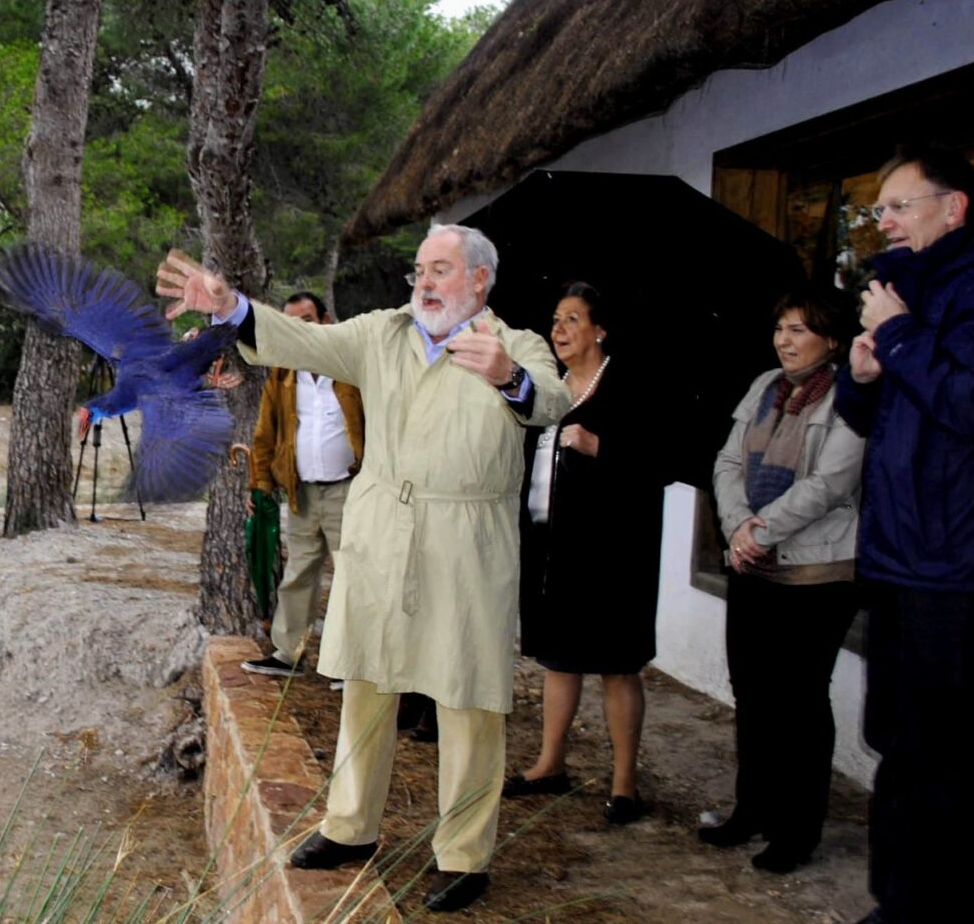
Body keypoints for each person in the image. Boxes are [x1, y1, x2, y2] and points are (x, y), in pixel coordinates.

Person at [157, 225, 572, 914]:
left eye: (441, 269)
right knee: (367, 680)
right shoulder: (385, 332)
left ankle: (464, 855)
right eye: (420, 268)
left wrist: (508, 375)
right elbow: (307, 342)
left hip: (468, 540)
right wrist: (232, 309)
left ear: (479, 280)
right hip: (383, 528)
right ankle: (351, 827)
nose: (425, 280)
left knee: (468, 699)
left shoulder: (514, 344)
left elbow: (553, 400)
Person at [834, 145, 974, 924]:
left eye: (898, 205)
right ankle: (898, 899)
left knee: (942, 755)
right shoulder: (906, 295)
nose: (881, 220)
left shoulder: (968, 289)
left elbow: (969, 404)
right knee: (899, 741)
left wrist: (894, 339)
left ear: (953, 208)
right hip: (897, 556)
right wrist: (862, 377)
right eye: (877, 209)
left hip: (953, 566)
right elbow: (882, 423)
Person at [701, 286, 864, 874]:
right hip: (754, 564)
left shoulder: (851, 395)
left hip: (817, 573)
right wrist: (739, 525)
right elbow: (725, 461)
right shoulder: (763, 386)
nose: (785, 340)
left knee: (798, 702)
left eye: (799, 330)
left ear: (833, 340)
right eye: (781, 329)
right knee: (754, 694)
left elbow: (833, 483)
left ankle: (797, 831)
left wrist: (759, 530)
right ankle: (752, 810)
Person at [504, 282, 668, 825]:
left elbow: (659, 460)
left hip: (615, 551)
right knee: (558, 657)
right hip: (554, 547)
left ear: (599, 329)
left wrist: (601, 447)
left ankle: (625, 784)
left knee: (618, 665)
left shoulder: (630, 384)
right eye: (556, 319)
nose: (559, 329)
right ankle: (551, 764)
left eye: (572, 319)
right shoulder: (546, 388)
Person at [239, 291, 365, 679]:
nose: (300, 331)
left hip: (350, 489)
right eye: (291, 324)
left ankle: (353, 665)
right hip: (301, 491)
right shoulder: (282, 374)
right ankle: (287, 653)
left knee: (354, 575)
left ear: (326, 322)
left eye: (306, 321)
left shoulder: (351, 370)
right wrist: (260, 484)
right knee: (299, 574)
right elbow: (265, 434)